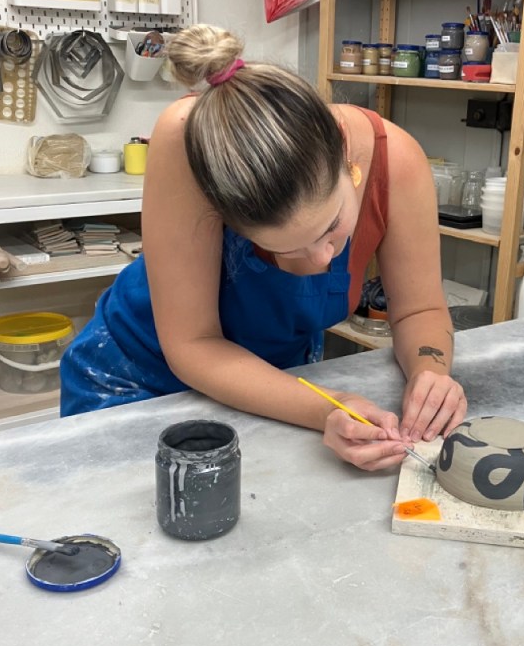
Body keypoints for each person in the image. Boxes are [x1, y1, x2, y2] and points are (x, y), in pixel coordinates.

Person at [61, 24, 467, 470]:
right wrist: (328, 408)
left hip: (275, 384)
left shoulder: (397, 162)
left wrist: (431, 372)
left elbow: (418, 310)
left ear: (348, 162)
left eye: (331, 227)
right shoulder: (189, 138)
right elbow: (194, 343)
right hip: (138, 376)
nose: (321, 260)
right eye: (285, 249)